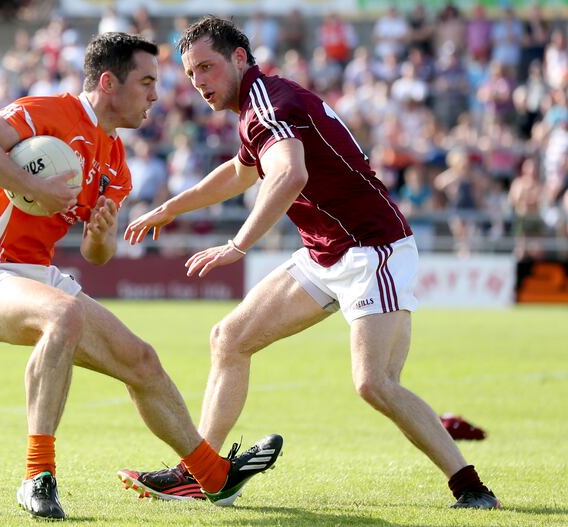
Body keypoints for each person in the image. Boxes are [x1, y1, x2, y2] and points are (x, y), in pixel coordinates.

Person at [119, 16, 500, 510]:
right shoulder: (260, 101)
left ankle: (471, 488)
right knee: (229, 338)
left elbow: (289, 175)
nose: (200, 83)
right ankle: (203, 471)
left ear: (239, 58)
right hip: (328, 252)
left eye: (208, 68)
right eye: (193, 75)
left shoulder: (267, 103)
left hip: (371, 249)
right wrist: (171, 208)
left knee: (375, 384)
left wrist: (238, 245)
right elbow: (240, 172)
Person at [0, 32, 282, 521]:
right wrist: (36, 187)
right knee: (61, 315)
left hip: (38, 276)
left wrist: (101, 232)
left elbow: (95, 255)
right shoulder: (46, 111)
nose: (154, 95)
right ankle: (36, 476)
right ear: (108, 82)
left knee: (141, 360)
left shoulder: (115, 161)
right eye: (146, 82)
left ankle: (214, 477)